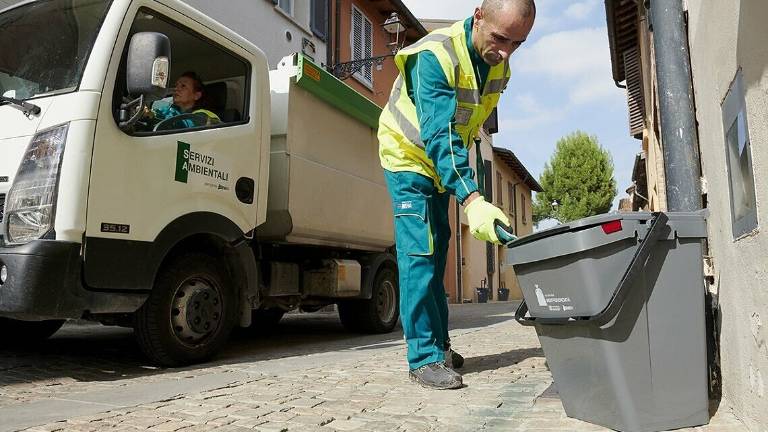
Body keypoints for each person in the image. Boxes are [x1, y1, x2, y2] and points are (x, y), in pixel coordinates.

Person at [378, 0, 535, 390]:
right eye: (500, 38)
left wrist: (467, 188)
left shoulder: (499, 65)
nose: (505, 52)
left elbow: (470, 130)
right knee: (419, 254)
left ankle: (441, 346)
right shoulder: (434, 55)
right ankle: (423, 358)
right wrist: (472, 197)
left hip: (439, 166)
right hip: (408, 157)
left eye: (518, 43)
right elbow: (441, 134)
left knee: (440, 248)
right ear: (478, 17)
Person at [145, 71, 220, 130]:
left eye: (183, 86)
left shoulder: (204, 116)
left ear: (196, 95)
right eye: (176, 86)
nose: (176, 89)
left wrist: (151, 116)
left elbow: (185, 124)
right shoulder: (168, 110)